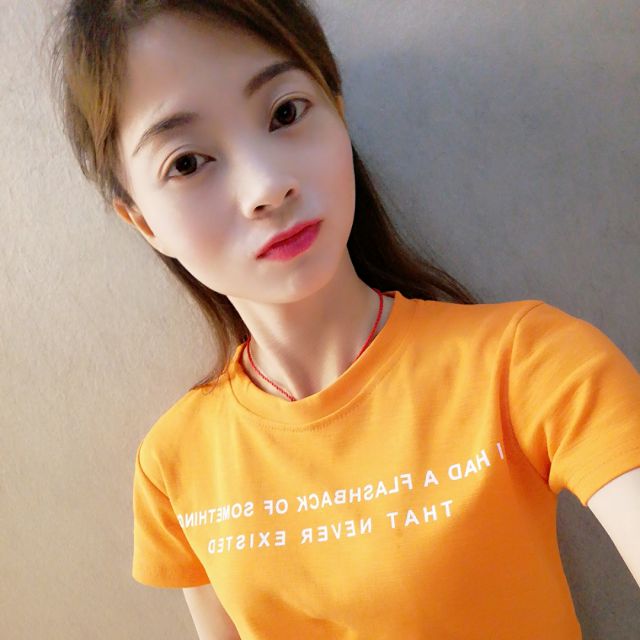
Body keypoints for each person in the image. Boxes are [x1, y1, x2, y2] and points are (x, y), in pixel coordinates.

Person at [45, 1, 640, 638]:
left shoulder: (528, 364)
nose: (266, 187)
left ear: (338, 111)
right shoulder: (174, 464)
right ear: (143, 222)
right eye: (187, 162)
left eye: (285, 113)